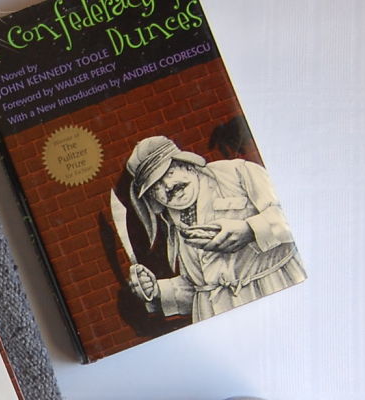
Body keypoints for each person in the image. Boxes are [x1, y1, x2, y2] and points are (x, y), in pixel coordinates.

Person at [125, 136, 306, 321]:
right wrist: (158, 290)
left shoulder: (238, 173)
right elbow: (204, 287)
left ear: (185, 163)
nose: (168, 186)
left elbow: (301, 216)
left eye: (169, 173)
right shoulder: (173, 222)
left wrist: (250, 230)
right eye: (156, 186)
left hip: (278, 292)